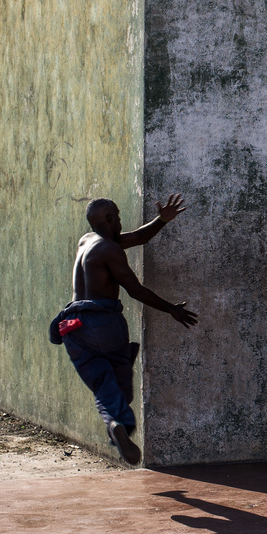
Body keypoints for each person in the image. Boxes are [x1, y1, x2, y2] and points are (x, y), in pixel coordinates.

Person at [50, 195, 198, 465]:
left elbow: (138, 237)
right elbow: (135, 289)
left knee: (106, 387)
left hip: (73, 327)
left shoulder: (87, 241)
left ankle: (116, 423)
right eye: (117, 215)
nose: (120, 219)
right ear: (108, 219)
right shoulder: (109, 250)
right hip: (103, 323)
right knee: (119, 386)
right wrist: (171, 309)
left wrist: (162, 220)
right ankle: (119, 422)